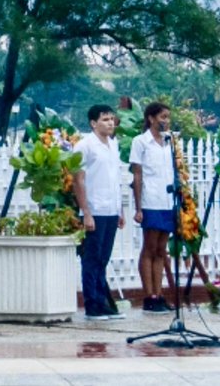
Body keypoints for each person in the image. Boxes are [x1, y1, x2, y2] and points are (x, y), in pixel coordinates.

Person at [73, 104, 126, 320]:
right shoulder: (85, 146)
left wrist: (120, 209)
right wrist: (86, 212)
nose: (110, 123)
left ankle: (103, 302)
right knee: (91, 259)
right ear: (93, 123)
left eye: (112, 119)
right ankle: (92, 305)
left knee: (103, 259)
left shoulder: (113, 145)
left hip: (110, 209)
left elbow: (115, 180)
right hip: (94, 209)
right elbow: (78, 180)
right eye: (105, 119)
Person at [129, 102, 175, 313]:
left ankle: (160, 292)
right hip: (150, 200)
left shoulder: (169, 141)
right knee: (150, 247)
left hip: (168, 201)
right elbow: (137, 174)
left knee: (161, 249)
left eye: (167, 117)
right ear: (151, 118)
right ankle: (150, 295)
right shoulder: (141, 142)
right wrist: (138, 207)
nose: (165, 121)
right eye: (162, 117)